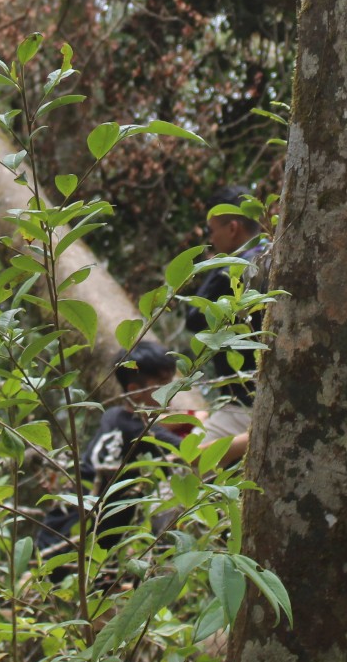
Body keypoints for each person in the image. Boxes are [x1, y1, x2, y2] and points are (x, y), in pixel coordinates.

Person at [38, 341, 190, 558]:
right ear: (135, 392)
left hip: (54, 532)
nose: (172, 392)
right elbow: (196, 454)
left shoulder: (113, 415)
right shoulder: (143, 434)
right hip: (75, 547)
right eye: (164, 385)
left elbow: (149, 423)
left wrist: (190, 418)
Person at [180, 185, 270, 446]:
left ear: (232, 229)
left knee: (183, 468)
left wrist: (217, 262)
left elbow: (194, 316)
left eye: (212, 231)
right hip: (260, 393)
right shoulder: (275, 254)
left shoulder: (239, 265)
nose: (211, 240)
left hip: (242, 401)